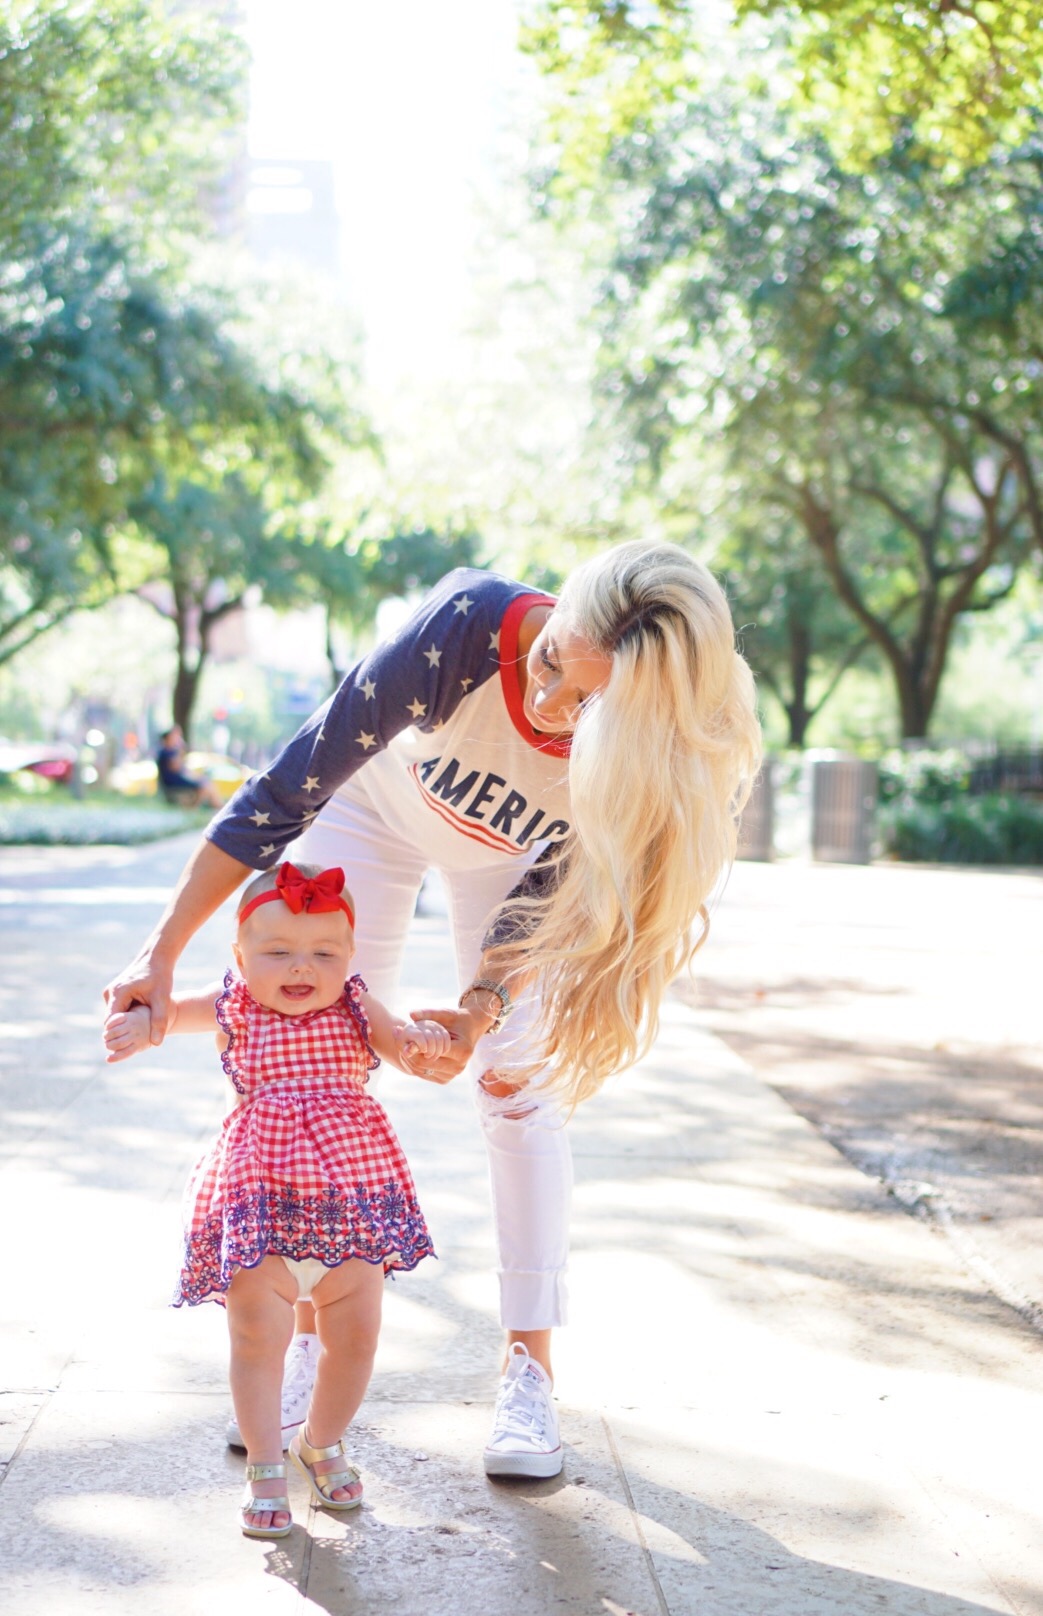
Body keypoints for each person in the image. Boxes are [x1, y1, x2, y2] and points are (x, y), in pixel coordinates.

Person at [104, 540, 762, 1480]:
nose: (549, 710)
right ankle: (300, 1338)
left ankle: (529, 1368)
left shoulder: (642, 750)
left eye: (587, 706)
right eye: (548, 671)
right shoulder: (458, 635)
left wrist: (479, 1008)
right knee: (305, 1051)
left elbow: (548, 894)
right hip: (367, 811)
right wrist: (160, 954)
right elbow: (281, 794)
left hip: (507, 863)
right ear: (549, 624)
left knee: (517, 1091)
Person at [103, 859, 447, 1538]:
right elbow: (166, 1016)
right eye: (278, 951)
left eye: (323, 952)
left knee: (356, 1337)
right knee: (257, 1335)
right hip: (260, 1205)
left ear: (349, 957)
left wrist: (421, 1043)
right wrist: (141, 1028)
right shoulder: (233, 1006)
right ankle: (264, 1461)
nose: (301, 968)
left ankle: (319, 1442)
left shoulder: (354, 1004)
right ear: (240, 956)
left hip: (351, 1207)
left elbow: (402, 1046)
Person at [156, 724, 223, 809]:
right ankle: (210, 806)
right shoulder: (166, 752)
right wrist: (180, 749)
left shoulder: (170, 751)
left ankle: (217, 806)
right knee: (204, 786)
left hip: (177, 781)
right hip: (173, 783)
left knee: (206, 784)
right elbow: (176, 767)